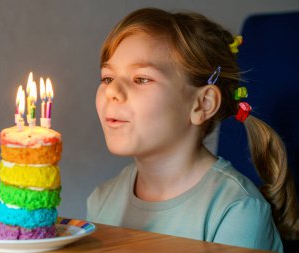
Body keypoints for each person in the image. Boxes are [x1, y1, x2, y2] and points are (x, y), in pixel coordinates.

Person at [87, 7, 299, 252]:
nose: (111, 91)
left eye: (141, 79)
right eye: (107, 78)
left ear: (202, 104)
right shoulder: (101, 201)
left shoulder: (237, 211)